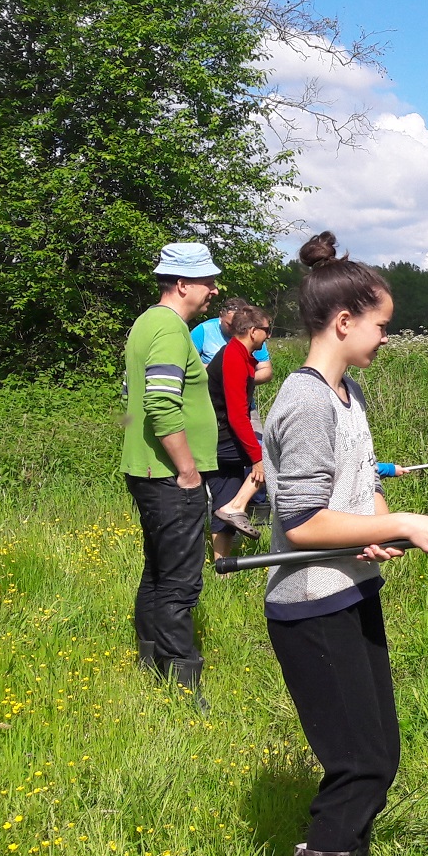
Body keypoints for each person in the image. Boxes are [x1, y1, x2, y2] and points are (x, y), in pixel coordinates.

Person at [263, 231, 428, 856]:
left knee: (380, 757)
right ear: (344, 322)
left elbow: (356, 493)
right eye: (381, 327)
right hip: (310, 605)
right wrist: (399, 524)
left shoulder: (350, 396)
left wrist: (378, 527)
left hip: (352, 589)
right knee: (358, 767)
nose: (385, 339)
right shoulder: (307, 400)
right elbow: (302, 523)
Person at [120, 242, 221, 708]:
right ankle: (186, 691)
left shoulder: (147, 323)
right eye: (207, 282)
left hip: (148, 471)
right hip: (168, 475)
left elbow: (134, 393)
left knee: (158, 572)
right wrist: (187, 470)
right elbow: (159, 402)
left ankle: (150, 664)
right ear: (182, 284)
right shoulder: (169, 329)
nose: (214, 291)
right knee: (180, 582)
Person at [207, 304, 272, 553]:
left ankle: (223, 569)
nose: (269, 336)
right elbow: (237, 415)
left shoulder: (241, 355)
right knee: (273, 458)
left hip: (222, 437)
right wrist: (257, 458)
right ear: (253, 331)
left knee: (225, 500)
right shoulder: (232, 357)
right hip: (222, 437)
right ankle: (238, 506)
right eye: (267, 330)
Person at [194, 296, 274, 384]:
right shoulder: (204, 330)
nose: (235, 329)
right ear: (221, 316)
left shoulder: (253, 336)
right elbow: (187, 364)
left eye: (240, 325)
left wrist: (241, 380)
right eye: (230, 325)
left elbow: (266, 371)